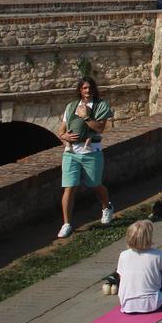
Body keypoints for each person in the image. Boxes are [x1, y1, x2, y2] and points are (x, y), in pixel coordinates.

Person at [56, 76, 113, 238]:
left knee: (95, 184)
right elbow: (61, 130)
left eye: (90, 88)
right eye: (84, 88)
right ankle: (66, 223)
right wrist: (64, 136)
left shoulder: (101, 105)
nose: (87, 91)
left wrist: (86, 117)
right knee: (69, 187)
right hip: (71, 153)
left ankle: (106, 207)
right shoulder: (71, 106)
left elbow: (100, 128)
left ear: (94, 89)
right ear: (80, 90)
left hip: (91, 152)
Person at [114, 220, 162, 314]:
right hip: (152, 304)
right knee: (161, 274)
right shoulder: (158, 254)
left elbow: (122, 279)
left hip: (127, 304)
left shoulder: (123, 255)